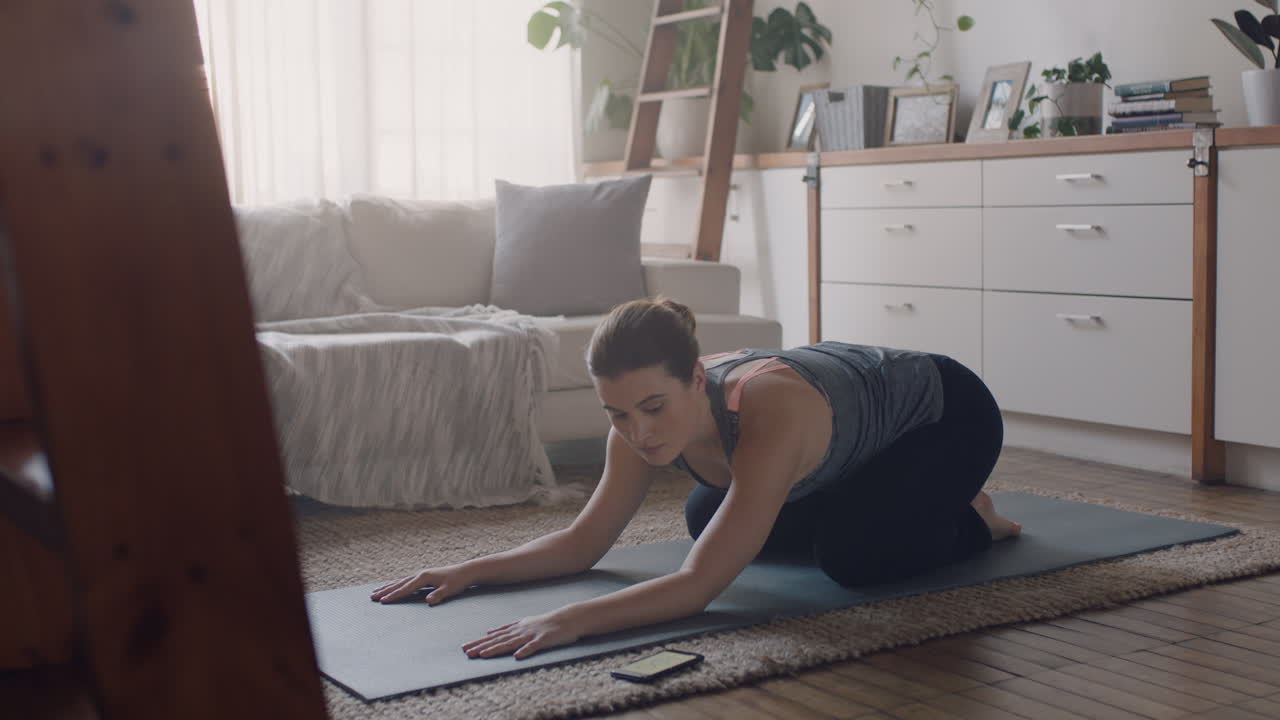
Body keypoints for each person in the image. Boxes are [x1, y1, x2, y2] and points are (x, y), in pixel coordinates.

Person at [370, 297, 1020, 660]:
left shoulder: (771, 411)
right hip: (844, 445)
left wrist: (570, 620)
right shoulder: (634, 426)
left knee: (851, 556)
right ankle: (889, 504)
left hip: (941, 416)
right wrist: (468, 570)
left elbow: (697, 586)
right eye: (617, 413)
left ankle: (973, 515)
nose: (640, 432)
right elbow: (581, 542)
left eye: (654, 408)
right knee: (705, 518)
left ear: (697, 380)